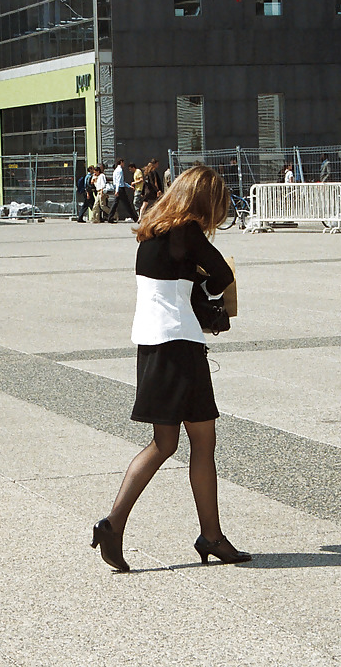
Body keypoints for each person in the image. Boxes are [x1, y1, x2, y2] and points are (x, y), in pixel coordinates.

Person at [92, 165, 249, 572]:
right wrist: (210, 297)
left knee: (176, 441)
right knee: (188, 442)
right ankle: (118, 522)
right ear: (203, 201)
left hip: (151, 343)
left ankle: (208, 535)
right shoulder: (187, 232)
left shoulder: (151, 230)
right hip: (179, 344)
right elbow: (222, 274)